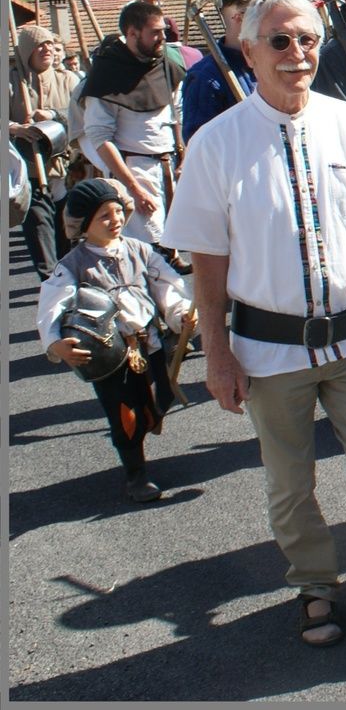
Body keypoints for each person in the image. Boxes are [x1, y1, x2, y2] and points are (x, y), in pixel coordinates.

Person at [162, 0, 346, 662]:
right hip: (268, 351)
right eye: (281, 42)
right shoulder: (216, 146)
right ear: (249, 50)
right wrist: (218, 353)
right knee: (290, 483)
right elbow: (208, 263)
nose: (298, 55)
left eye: (309, 40)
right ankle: (314, 585)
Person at [37, 178, 193, 503]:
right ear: (83, 224)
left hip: (149, 344)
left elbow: (167, 282)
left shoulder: (139, 250)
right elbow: (53, 304)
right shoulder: (72, 265)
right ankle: (136, 474)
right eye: (104, 216)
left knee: (160, 400)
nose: (115, 220)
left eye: (117, 211)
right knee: (126, 414)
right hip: (108, 355)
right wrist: (55, 343)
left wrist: (180, 313)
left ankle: (144, 424)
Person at [80, 0, 184, 247]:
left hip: (171, 168)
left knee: (175, 244)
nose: (163, 37)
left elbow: (178, 113)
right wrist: (134, 189)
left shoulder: (167, 64)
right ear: (132, 34)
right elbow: (99, 137)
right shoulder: (107, 73)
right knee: (146, 248)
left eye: (164, 31)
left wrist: (184, 155)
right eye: (155, 32)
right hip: (134, 170)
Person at [9, 24, 77, 278]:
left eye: (49, 43)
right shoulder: (11, 81)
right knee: (39, 227)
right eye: (40, 44)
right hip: (29, 169)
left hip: (65, 166)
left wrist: (52, 115)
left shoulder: (68, 79)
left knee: (66, 229)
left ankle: (67, 276)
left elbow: (81, 114)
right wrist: (16, 128)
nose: (47, 48)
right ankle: (50, 280)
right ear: (26, 51)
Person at [181, 0, 258, 139]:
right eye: (259, 16)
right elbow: (198, 142)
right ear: (239, 17)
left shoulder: (268, 62)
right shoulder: (205, 77)